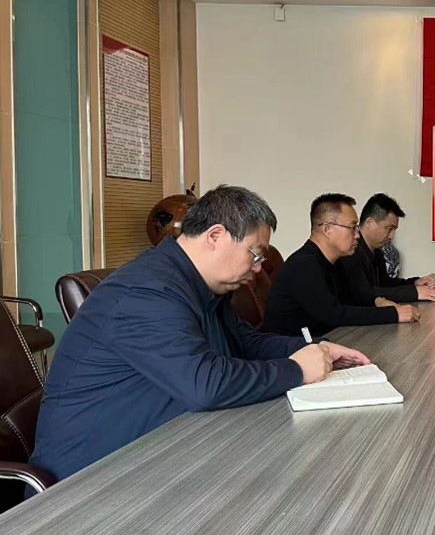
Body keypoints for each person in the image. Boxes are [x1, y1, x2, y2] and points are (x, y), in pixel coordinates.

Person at [30, 185, 369, 484]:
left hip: (163, 450)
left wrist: (317, 348)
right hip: (90, 479)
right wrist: (296, 370)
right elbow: (204, 385)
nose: (257, 269)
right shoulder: (148, 291)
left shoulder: (199, 285)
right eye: (255, 255)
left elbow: (247, 342)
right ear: (215, 236)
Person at [262, 193, 420, 337]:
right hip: (291, 350)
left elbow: (353, 296)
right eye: (352, 228)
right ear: (327, 229)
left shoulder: (335, 262)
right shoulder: (303, 265)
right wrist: (393, 314)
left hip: (324, 341)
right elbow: (335, 315)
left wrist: (377, 301)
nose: (357, 235)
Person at [340, 193, 435, 304]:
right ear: (369, 223)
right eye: (389, 229)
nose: (391, 236)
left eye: (394, 230)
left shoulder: (377, 251)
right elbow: (365, 294)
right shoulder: (350, 251)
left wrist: (414, 283)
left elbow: (385, 284)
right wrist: (414, 293)